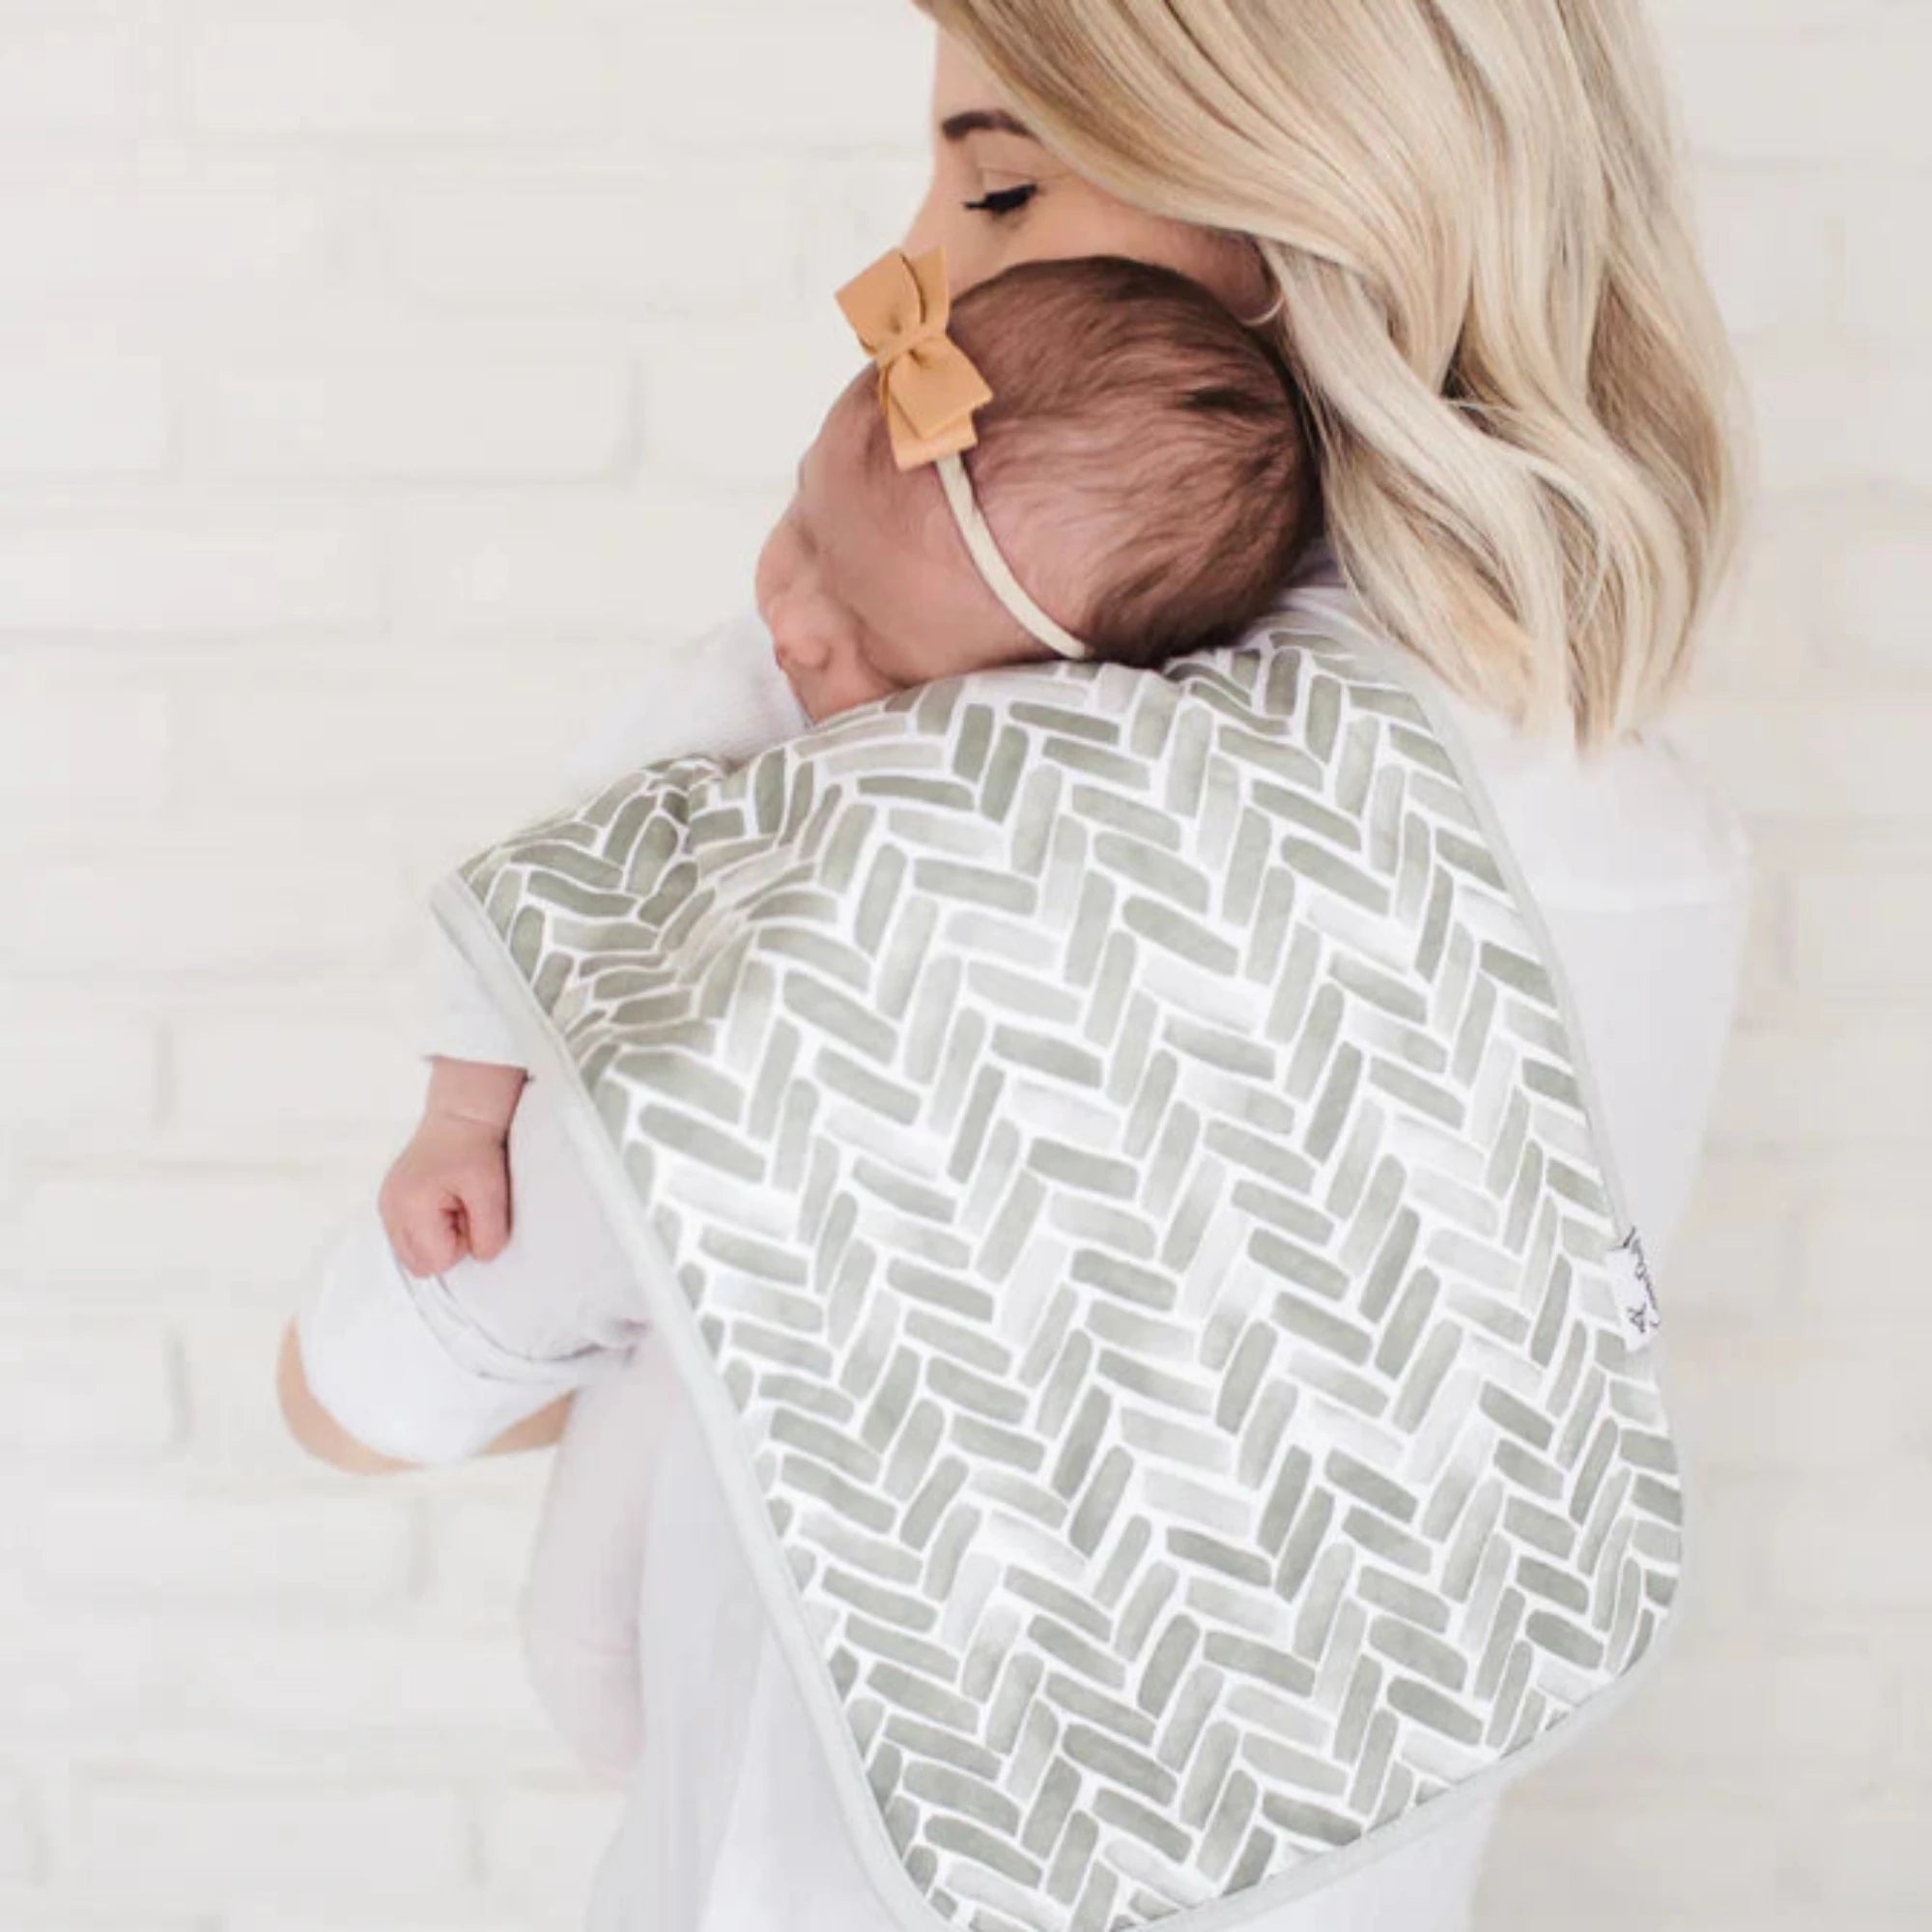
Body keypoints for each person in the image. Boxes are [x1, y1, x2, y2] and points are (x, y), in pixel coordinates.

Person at [277, 10, 1750, 1930]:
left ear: (1306, 208)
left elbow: (366, 1384)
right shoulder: (1638, 818)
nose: (908, 267)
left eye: (995, 189)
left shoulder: (918, 844)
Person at [376, 250, 1318, 1289]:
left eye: (875, 649)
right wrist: (462, 1118)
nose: (791, 622)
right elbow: (547, 879)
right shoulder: (732, 697)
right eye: (801, 528)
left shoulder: (1058, 783)